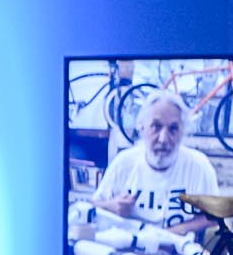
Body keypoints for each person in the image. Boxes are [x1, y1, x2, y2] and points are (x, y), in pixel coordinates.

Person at [93, 92, 222, 239]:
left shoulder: (199, 166)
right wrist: (112, 206)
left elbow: (214, 216)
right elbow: (92, 206)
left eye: (173, 128)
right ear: (142, 128)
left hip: (177, 249)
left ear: (183, 132)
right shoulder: (123, 163)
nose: (163, 139)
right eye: (156, 126)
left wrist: (176, 231)